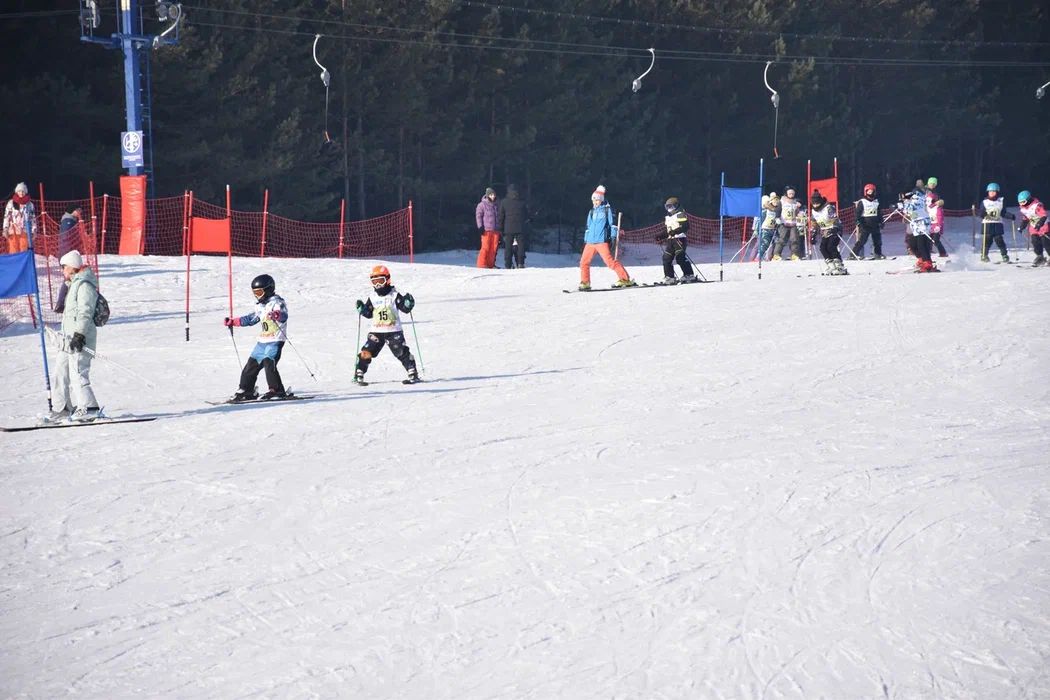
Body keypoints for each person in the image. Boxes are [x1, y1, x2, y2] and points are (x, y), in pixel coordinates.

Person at [46, 250, 101, 423]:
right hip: (68, 340)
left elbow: (85, 312)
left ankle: (90, 407)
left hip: (80, 339)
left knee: (78, 372)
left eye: (64, 267)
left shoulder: (85, 285)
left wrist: (79, 335)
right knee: (60, 371)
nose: (62, 271)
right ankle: (61, 407)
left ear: (72, 267)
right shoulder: (72, 285)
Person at [223, 274, 289, 401]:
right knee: (251, 366)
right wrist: (234, 322)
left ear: (268, 289)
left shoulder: (277, 303)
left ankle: (276, 390)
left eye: (259, 292)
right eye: (255, 293)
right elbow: (251, 319)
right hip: (262, 341)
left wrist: (276, 315)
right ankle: (246, 390)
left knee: (269, 363)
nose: (257, 296)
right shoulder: (260, 306)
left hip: (275, 340)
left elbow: (284, 315)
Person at [354, 265, 419, 384]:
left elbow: (404, 308)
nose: (378, 285)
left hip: (393, 330)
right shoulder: (373, 297)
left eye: (380, 281)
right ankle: (359, 373)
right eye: (375, 282)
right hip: (377, 331)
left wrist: (408, 303)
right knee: (366, 352)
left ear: (387, 280)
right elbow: (368, 313)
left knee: (401, 352)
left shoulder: (394, 295)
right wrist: (362, 309)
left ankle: (412, 371)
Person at [579, 185, 635, 290]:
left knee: (610, 262)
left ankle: (625, 279)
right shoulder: (591, 212)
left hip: (601, 241)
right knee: (583, 262)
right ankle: (585, 282)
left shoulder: (606, 210)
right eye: (593, 200)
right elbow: (588, 227)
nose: (595, 202)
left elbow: (612, 224)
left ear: (601, 200)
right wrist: (585, 240)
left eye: (596, 200)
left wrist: (613, 237)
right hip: (590, 242)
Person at [654, 196, 696, 284]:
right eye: (667, 206)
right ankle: (670, 277)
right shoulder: (668, 217)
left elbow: (685, 226)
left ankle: (689, 275)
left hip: (680, 239)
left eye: (671, 206)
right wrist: (660, 236)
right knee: (666, 258)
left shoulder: (680, 214)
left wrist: (675, 231)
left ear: (676, 206)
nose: (669, 209)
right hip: (671, 241)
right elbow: (668, 231)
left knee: (680, 258)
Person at [899, 187, 937, 272]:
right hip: (916, 226)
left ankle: (927, 263)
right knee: (912, 244)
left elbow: (910, 209)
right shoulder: (911, 201)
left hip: (922, 225)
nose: (902, 198)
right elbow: (914, 215)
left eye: (903, 196)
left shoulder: (917, 200)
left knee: (921, 245)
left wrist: (903, 206)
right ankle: (921, 260)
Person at [810, 190, 848, 275]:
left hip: (834, 229)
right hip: (824, 231)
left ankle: (839, 265)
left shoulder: (828, 208)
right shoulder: (814, 211)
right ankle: (831, 265)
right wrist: (813, 234)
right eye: (814, 204)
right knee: (823, 248)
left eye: (817, 203)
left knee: (831, 246)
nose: (815, 205)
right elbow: (814, 223)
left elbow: (835, 219)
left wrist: (835, 227)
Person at [977, 182, 1013, 263]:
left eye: (993, 191)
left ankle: (1004, 255)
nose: (991, 193)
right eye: (990, 191)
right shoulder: (984, 202)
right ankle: (984, 255)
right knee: (987, 240)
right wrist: (982, 214)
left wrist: (1010, 216)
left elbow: (1003, 213)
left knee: (999, 239)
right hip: (987, 224)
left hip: (997, 223)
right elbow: (981, 212)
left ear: (997, 192)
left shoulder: (1001, 201)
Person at [1017, 190, 1049, 267]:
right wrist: (1021, 227)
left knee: (1046, 242)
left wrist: (1039, 224)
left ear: (1028, 199)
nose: (1022, 204)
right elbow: (1026, 219)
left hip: (1043, 226)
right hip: (1034, 228)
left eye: (1023, 202)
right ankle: (1040, 256)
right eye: (1020, 202)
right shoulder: (1023, 208)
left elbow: (1044, 216)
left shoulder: (1037, 206)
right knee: (1035, 241)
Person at [853, 183, 885, 259]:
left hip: (875, 223)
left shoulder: (876, 202)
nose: (871, 193)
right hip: (865, 223)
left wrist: (881, 222)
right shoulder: (862, 202)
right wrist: (858, 222)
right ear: (866, 192)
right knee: (862, 240)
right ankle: (854, 254)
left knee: (877, 241)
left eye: (872, 191)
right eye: (869, 191)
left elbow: (879, 213)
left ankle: (878, 254)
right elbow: (858, 213)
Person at [474, 187, 504, 269]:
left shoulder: (498, 204)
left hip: (496, 230)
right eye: (491, 195)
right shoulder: (482, 205)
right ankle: (481, 263)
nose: (493, 196)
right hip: (486, 230)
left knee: (493, 248)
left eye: (493, 194)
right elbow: (478, 216)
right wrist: (480, 227)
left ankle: (490, 264)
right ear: (487, 196)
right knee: (485, 247)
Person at [3, 182, 35, 254]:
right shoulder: (11, 203)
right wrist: (5, 228)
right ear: (17, 192)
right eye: (19, 191)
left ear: (25, 192)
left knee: (23, 250)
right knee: (13, 250)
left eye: (23, 191)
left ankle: (22, 265)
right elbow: (6, 216)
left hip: (24, 230)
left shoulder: (30, 204)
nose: (21, 193)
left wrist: (34, 230)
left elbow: (32, 218)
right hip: (13, 230)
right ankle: (14, 264)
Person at [502, 184, 529, 269]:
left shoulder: (504, 202)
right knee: (521, 246)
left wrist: (500, 228)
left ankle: (508, 264)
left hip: (508, 228)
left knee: (508, 247)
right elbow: (526, 215)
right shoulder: (521, 202)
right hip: (520, 227)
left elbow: (501, 216)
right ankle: (520, 263)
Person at [773, 185, 802, 260]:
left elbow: (797, 213)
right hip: (784, 223)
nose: (791, 195)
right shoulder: (782, 201)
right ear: (786, 193)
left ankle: (794, 255)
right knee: (782, 239)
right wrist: (777, 218)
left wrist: (800, 213)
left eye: (793, 193)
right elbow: (778, 210)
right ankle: (776, 255)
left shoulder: (795, 202)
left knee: (794, 239)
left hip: (793, 223)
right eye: (790, 193)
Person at [925, 176, 948, 257]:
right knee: (928, 239)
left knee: (936, 240)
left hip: (936, 224)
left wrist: (939, 225)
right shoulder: (926, 192)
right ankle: (927, 252)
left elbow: (940, 216)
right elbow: (928, 205)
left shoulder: (937, 207)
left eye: (934, 184)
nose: (932, 185)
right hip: (930, 223)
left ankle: (943, 253)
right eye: (931, 183)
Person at [757, 192, 780, 261]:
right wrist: (757, 230)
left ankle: (769, 257)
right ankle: (758, 258)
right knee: (765, 244)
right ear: (771, 201)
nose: (776, 202)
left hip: (773, 230)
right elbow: (760, 221)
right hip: (765, 229)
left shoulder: (777, 211)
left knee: (773, 245)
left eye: (777, 201)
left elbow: (776, 221)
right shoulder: (766, 210)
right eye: (774, 200)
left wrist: (778, 222)